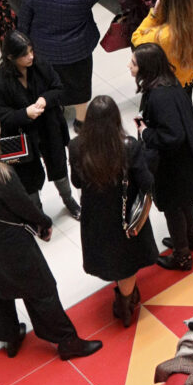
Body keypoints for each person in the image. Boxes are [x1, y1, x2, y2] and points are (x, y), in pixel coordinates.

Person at [0, 114, 100, 360]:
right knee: (42, 289)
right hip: (13, 245)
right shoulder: (2, 175)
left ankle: (10, 337)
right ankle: (65, 340)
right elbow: (25, 208)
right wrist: (44, 223)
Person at [72, 94, 159, 327]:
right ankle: (126, 303)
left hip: (95, 214)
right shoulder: (128, 146)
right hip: (125, 212)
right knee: (128, 260)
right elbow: (146, 182)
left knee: (110, 255)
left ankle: (122, 301)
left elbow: (77, 183)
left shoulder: (76, 147)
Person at [133, 40, 193, 270]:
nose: (130, 67)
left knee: (173, 209)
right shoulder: (171, 84)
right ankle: (191, 238)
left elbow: (172, 135)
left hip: (173, 166)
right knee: (186, 202)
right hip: (186, 161)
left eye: (133, 63)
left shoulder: (159, 97)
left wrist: (146, 132)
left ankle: (182, 255)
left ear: (146, 68)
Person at [0, 29, 79, 216]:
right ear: (11, 57)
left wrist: (45, 99)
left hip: (48, 126)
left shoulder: (40, 65)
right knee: (28, 175)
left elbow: (58, 88)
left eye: (31, 51)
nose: (30, 57)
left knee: (59, 164)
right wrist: (24, 114)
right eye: (24, 54)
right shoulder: (1, 82)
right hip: (23, 136)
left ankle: (69, 199)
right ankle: (37, 212)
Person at [18, 0, 106, 123]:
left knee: (50, 83)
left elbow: (24, 20)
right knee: (80, 84)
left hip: (45, 50)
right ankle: (81, 121)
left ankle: (56, 113)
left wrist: (25, 47)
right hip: (77, 49)